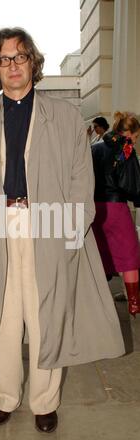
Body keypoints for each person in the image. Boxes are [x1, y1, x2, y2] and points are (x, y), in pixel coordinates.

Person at [0, 28, 125, 433]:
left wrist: (71, 231)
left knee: (48, 316)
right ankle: (5, 396)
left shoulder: (64, 118)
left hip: (48, 223)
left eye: (20, 56)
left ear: (33, 62)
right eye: (4, 59)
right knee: (2, 319)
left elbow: (83, 182)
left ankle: (45, 401)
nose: (12, 65)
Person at [91, 111, 140, 317]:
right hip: (117, 208)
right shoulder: (126, 149)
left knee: (99, 255)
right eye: (136, 137)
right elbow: (133, 184)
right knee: (129, 256)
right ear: (129, 133)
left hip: (95, 209)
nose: (135, 141)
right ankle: (134, 303)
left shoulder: (94, 148)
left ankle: (99, 304)